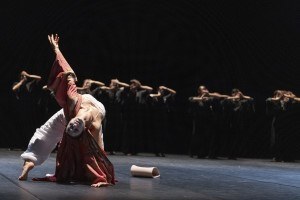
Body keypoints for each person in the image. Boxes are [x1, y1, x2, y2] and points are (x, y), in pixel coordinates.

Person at [19, 34, 115, 187]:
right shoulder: (83, 109)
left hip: (77, 112)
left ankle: (30, 161)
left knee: (49, 133)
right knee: (47, 132)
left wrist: (102, 179)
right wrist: (56, 49)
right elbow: (68, 71)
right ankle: (30, 162)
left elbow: (98, 151)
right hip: (86, 107)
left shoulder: (79, 110)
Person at [188, 85, 229, 159]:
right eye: (202, 89)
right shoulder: (194, 98)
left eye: (205, 89)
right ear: (199, 91)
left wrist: (209, 94)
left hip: (207, 120)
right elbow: (193, 99)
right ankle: (192, 151)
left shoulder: (209, 98)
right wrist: (202, 96)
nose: (204, 90)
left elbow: (224, 96)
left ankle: (202, 153)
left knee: (205, 137)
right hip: (197, 120)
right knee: (196, 137)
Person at [11, 70, 42, 149]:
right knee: (20, 126)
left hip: (29, 108)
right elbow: (14, 89)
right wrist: (21, 82)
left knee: (29, 126)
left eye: (25, 76)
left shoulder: (29, 84)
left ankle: (29, 144)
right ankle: (20, 144)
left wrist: (29, 75)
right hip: (20, 108)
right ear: (20, 77)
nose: (24, 77)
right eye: (23, 76)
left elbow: (39, 78)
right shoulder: (17, 83)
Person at [149, 86, 176, 157]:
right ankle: (157, 151)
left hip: (164, 118)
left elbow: (174, 92)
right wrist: (158, 94)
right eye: (161, 90)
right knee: (157, 135)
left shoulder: (165, 97)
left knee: (163, 135)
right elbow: (150, 95)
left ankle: (162, 151)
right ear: (158, 90)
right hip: (156, 118)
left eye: (163, 90)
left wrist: (166, 88)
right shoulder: (155, 96)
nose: (162, 91)